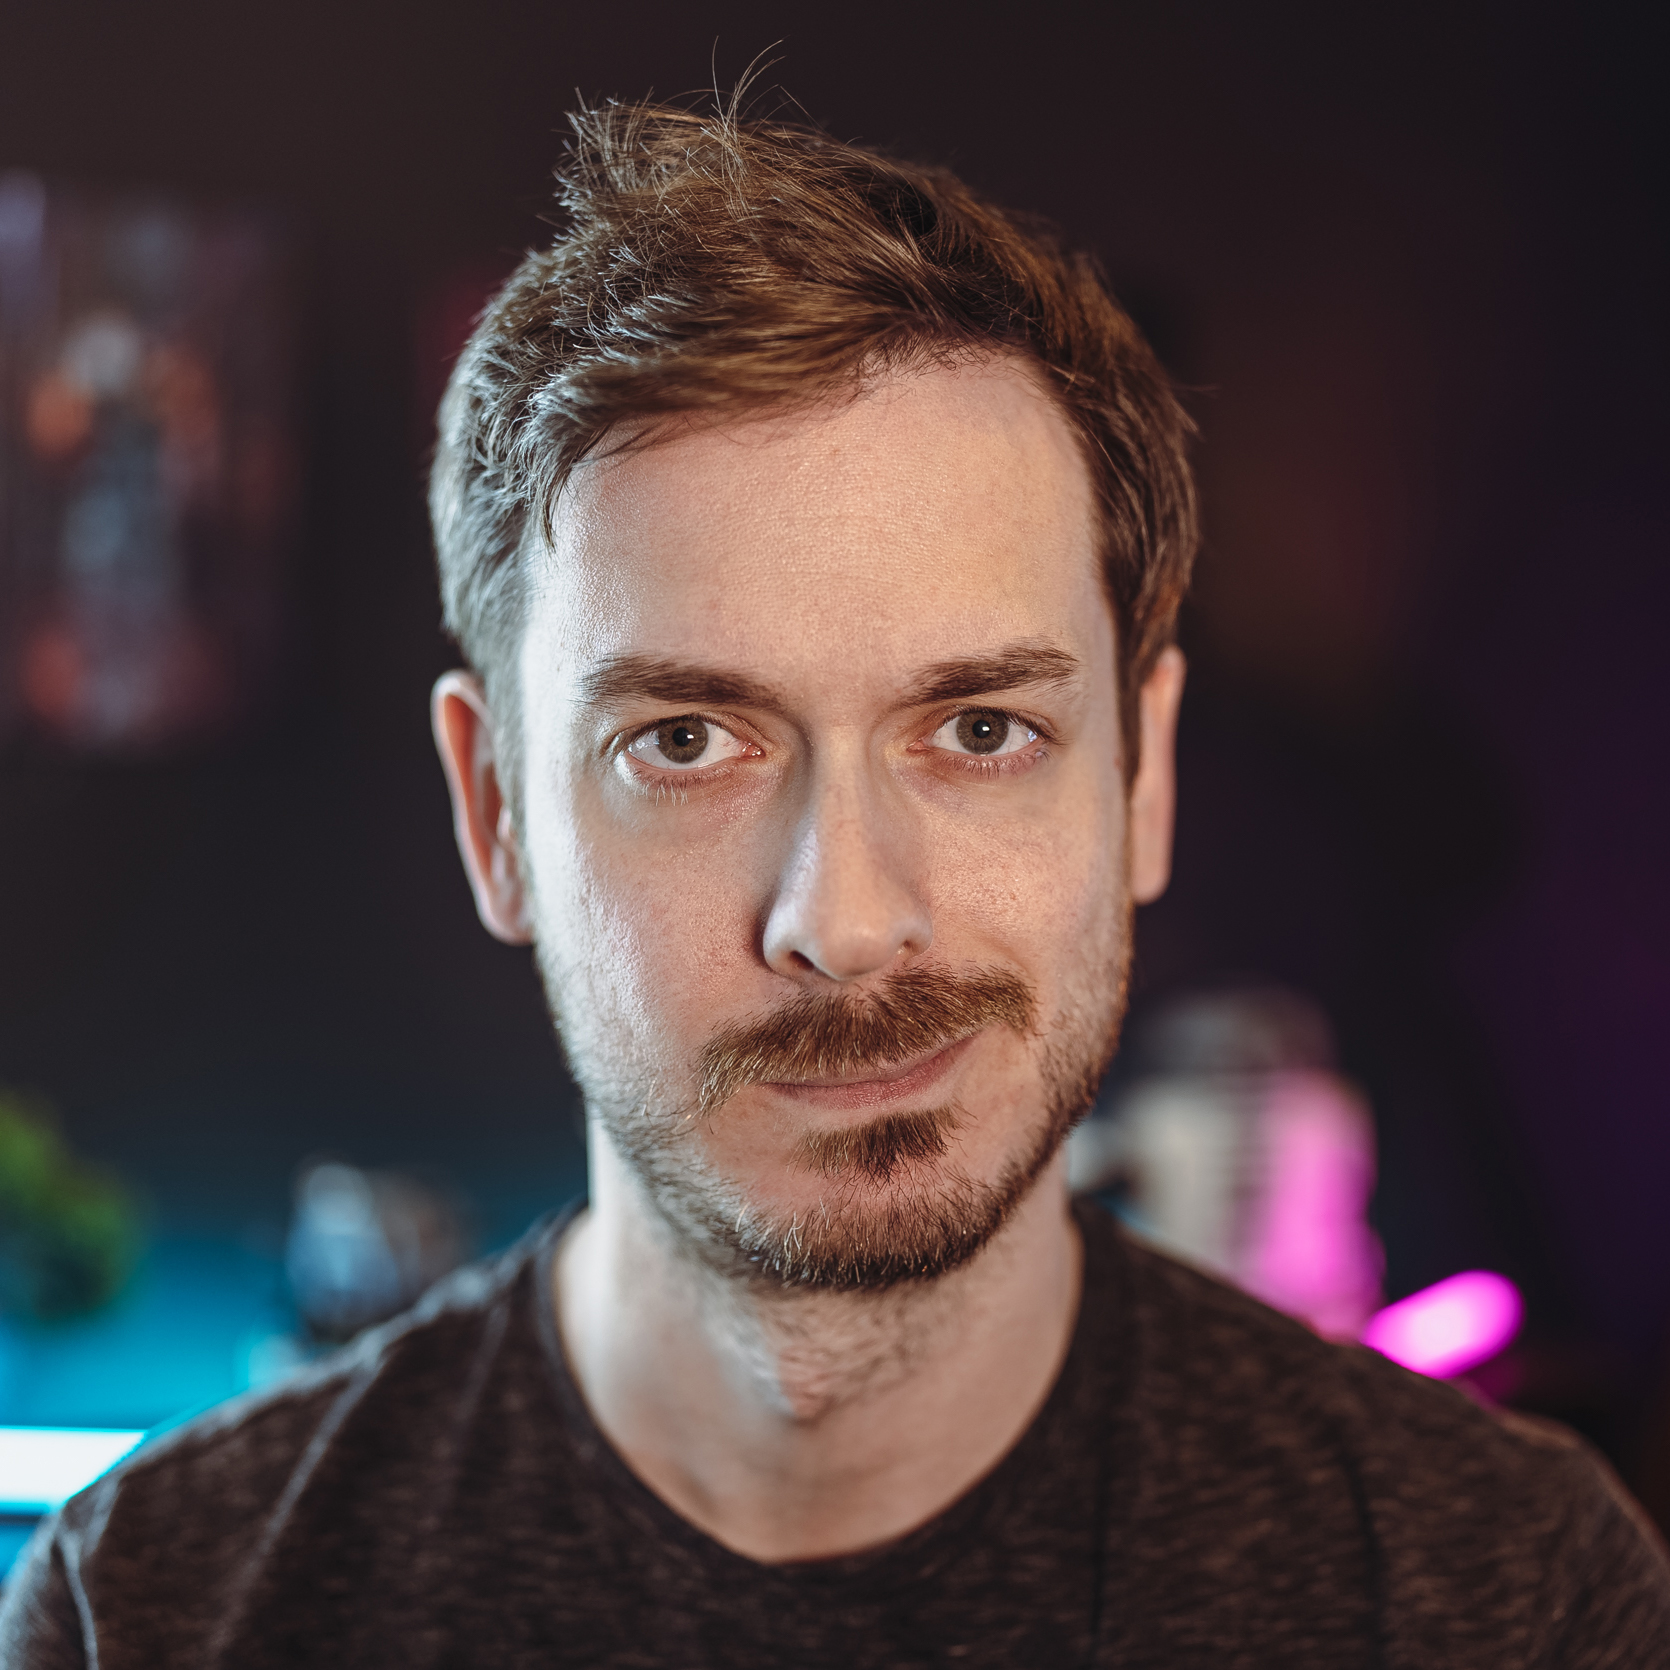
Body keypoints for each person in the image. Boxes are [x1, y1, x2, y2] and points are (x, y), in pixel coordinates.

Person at [4, 96, 1667, 1670]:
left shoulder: (1505, 1598)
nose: (846, 920)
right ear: (493, 810)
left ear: (1143, 778)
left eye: (981, 728)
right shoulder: (161, 1612)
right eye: (685, 742)